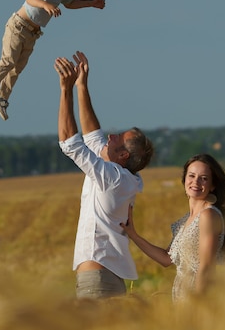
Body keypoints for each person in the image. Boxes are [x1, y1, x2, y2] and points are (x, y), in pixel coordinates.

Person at [55, 51, 154, 299]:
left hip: (96, 279)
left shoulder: (113, 177)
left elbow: (72, 145)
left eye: (118, 139)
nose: (111, 136)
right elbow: (93, 137)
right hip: (105, 277)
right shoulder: (125, 177)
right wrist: (81, 85)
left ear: (122, 157)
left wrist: (65, 90)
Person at [120, 153, 225, 303]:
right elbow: (166, 259)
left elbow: (206, 266)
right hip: (182, 298)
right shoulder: (186, 219)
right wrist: (134, 235)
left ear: (212, 185)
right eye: (192, 176)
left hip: (197, 298)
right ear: (184, 180)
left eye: (204, 178)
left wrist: (198, 306)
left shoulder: (208, 215)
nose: (196, 182)